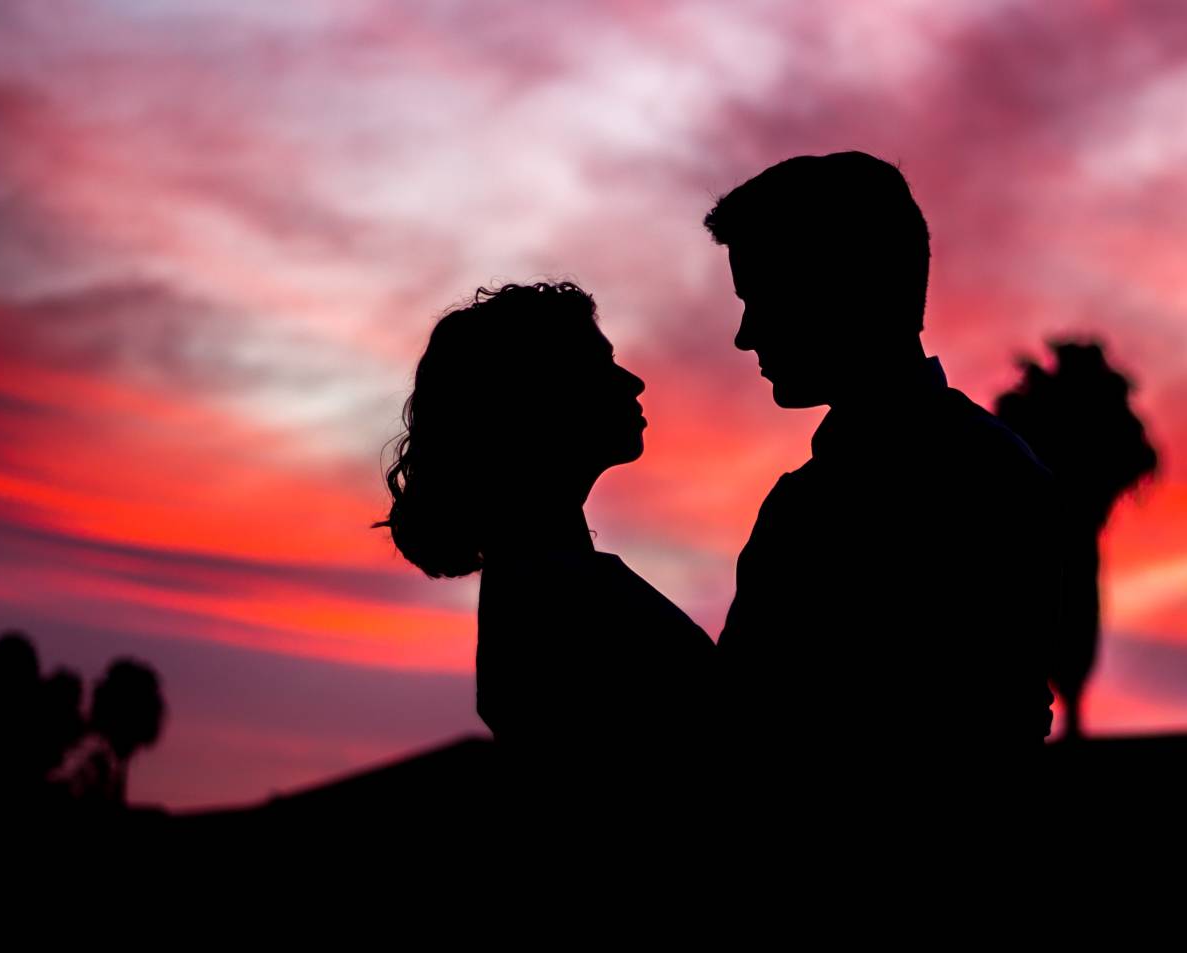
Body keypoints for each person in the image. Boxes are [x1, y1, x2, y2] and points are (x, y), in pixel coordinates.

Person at [705, 151, 1062, 770]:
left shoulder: (955, 482)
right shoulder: (995, 469)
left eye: (761, 297)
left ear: (842, 290)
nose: (745, 334)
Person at [377, 282, 713, 786]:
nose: (634, 382)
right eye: (600, 365)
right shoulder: (556, 597)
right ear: (536, 399)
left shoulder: (545, 584)